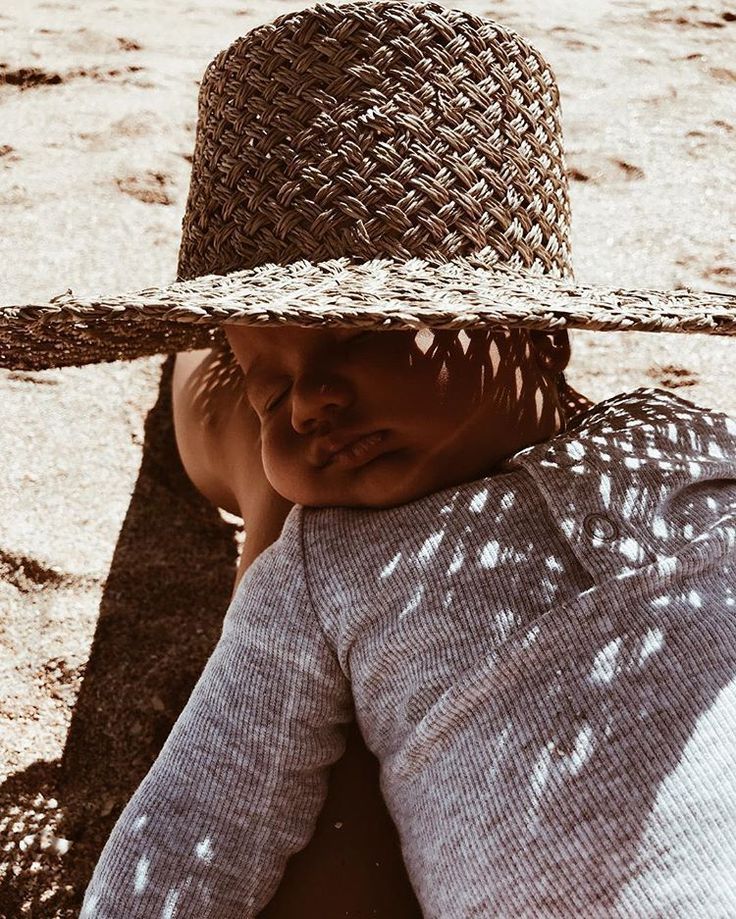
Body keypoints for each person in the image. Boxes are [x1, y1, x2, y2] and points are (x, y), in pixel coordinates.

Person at [2, 1, 733, 916]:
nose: (308, 399)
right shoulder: (316, 568)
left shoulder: (685, 438)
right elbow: (192, 824)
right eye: (270, 387)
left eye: (362, 331)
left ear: (535, 330)